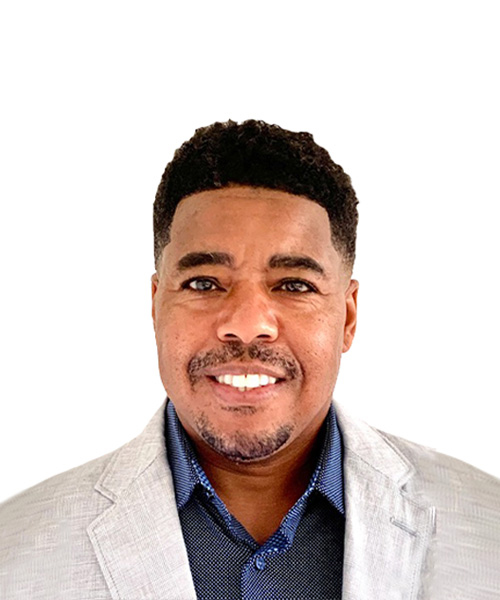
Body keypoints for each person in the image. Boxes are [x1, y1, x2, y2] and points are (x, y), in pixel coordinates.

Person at [1, 120, 499, 600]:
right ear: (156, 307)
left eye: (294, 285)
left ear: (347, 317)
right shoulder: (15, 552)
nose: (246, 323)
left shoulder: (487, 533)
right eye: (203, 283)